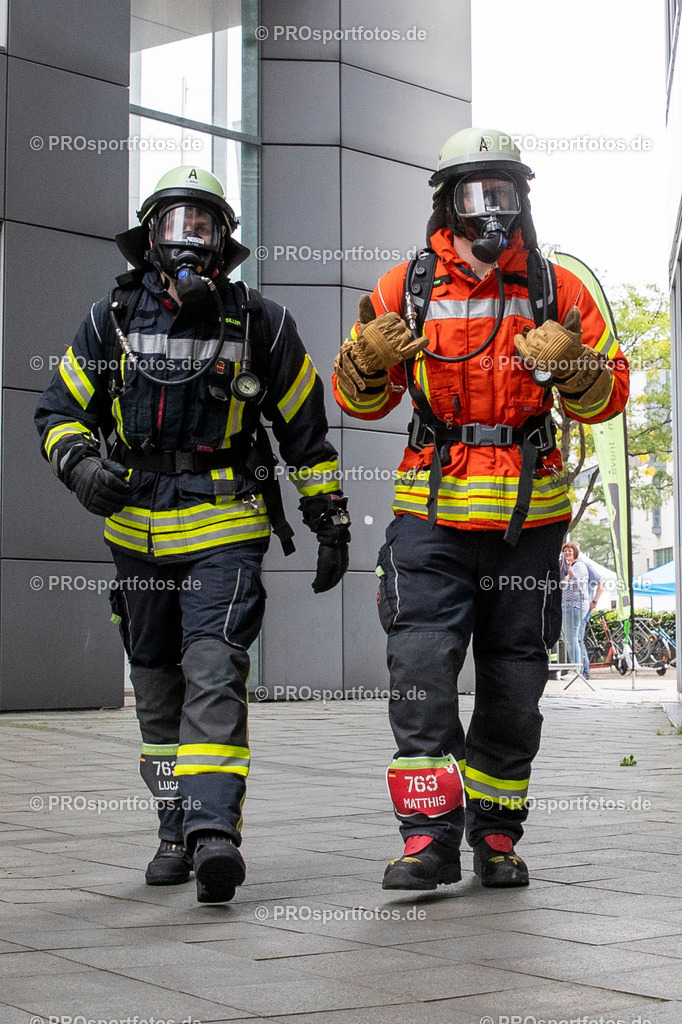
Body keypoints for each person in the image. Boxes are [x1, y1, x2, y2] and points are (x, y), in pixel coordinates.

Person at [35, 166, 350, 904]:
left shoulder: (261, 324)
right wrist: (81, 466)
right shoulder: (108, 320)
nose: (187, 240)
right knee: (156, 689)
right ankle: (173, 825)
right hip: (136, 529)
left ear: (224, 242)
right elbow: (58, 412)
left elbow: (304, 430)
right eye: (173, 225)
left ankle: (214, 834)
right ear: (148, 238)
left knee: (213, 670)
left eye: (202, 226)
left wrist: (327, 517)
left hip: (225, 525)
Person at [332, 127, 629, 890]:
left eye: (503, 191)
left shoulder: (563, 286)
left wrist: (576, 365)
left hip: (528, 526)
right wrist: (367, 364)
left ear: (522, 199)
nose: (491, 208)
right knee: (421, 673)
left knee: (514, 684)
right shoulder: (405, 287)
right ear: (448, 202)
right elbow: (360, 399)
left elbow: (608, 397)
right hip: (429, 516)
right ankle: (427, 840)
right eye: (475, 192)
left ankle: (495, 835)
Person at [560, 541, 590, 669]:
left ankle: (577, 668)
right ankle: (576, 666)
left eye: (570, 551)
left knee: (572, 638)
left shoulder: (580, 566)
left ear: (575, 553)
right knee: (568, 638)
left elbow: (579, 584)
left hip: (576, 605)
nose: (566, 553)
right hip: (565, 605)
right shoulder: (563, 566)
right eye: (565, 550)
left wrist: (570, 570)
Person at [579, 549, 604, 677]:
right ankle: (581, 669)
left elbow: (601, 582)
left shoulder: (584, 565)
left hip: (584, 606)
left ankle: (584, 670)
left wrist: (594, 601)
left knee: (578, 639)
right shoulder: (565, 564)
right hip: (573, 607)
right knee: (575, 639)